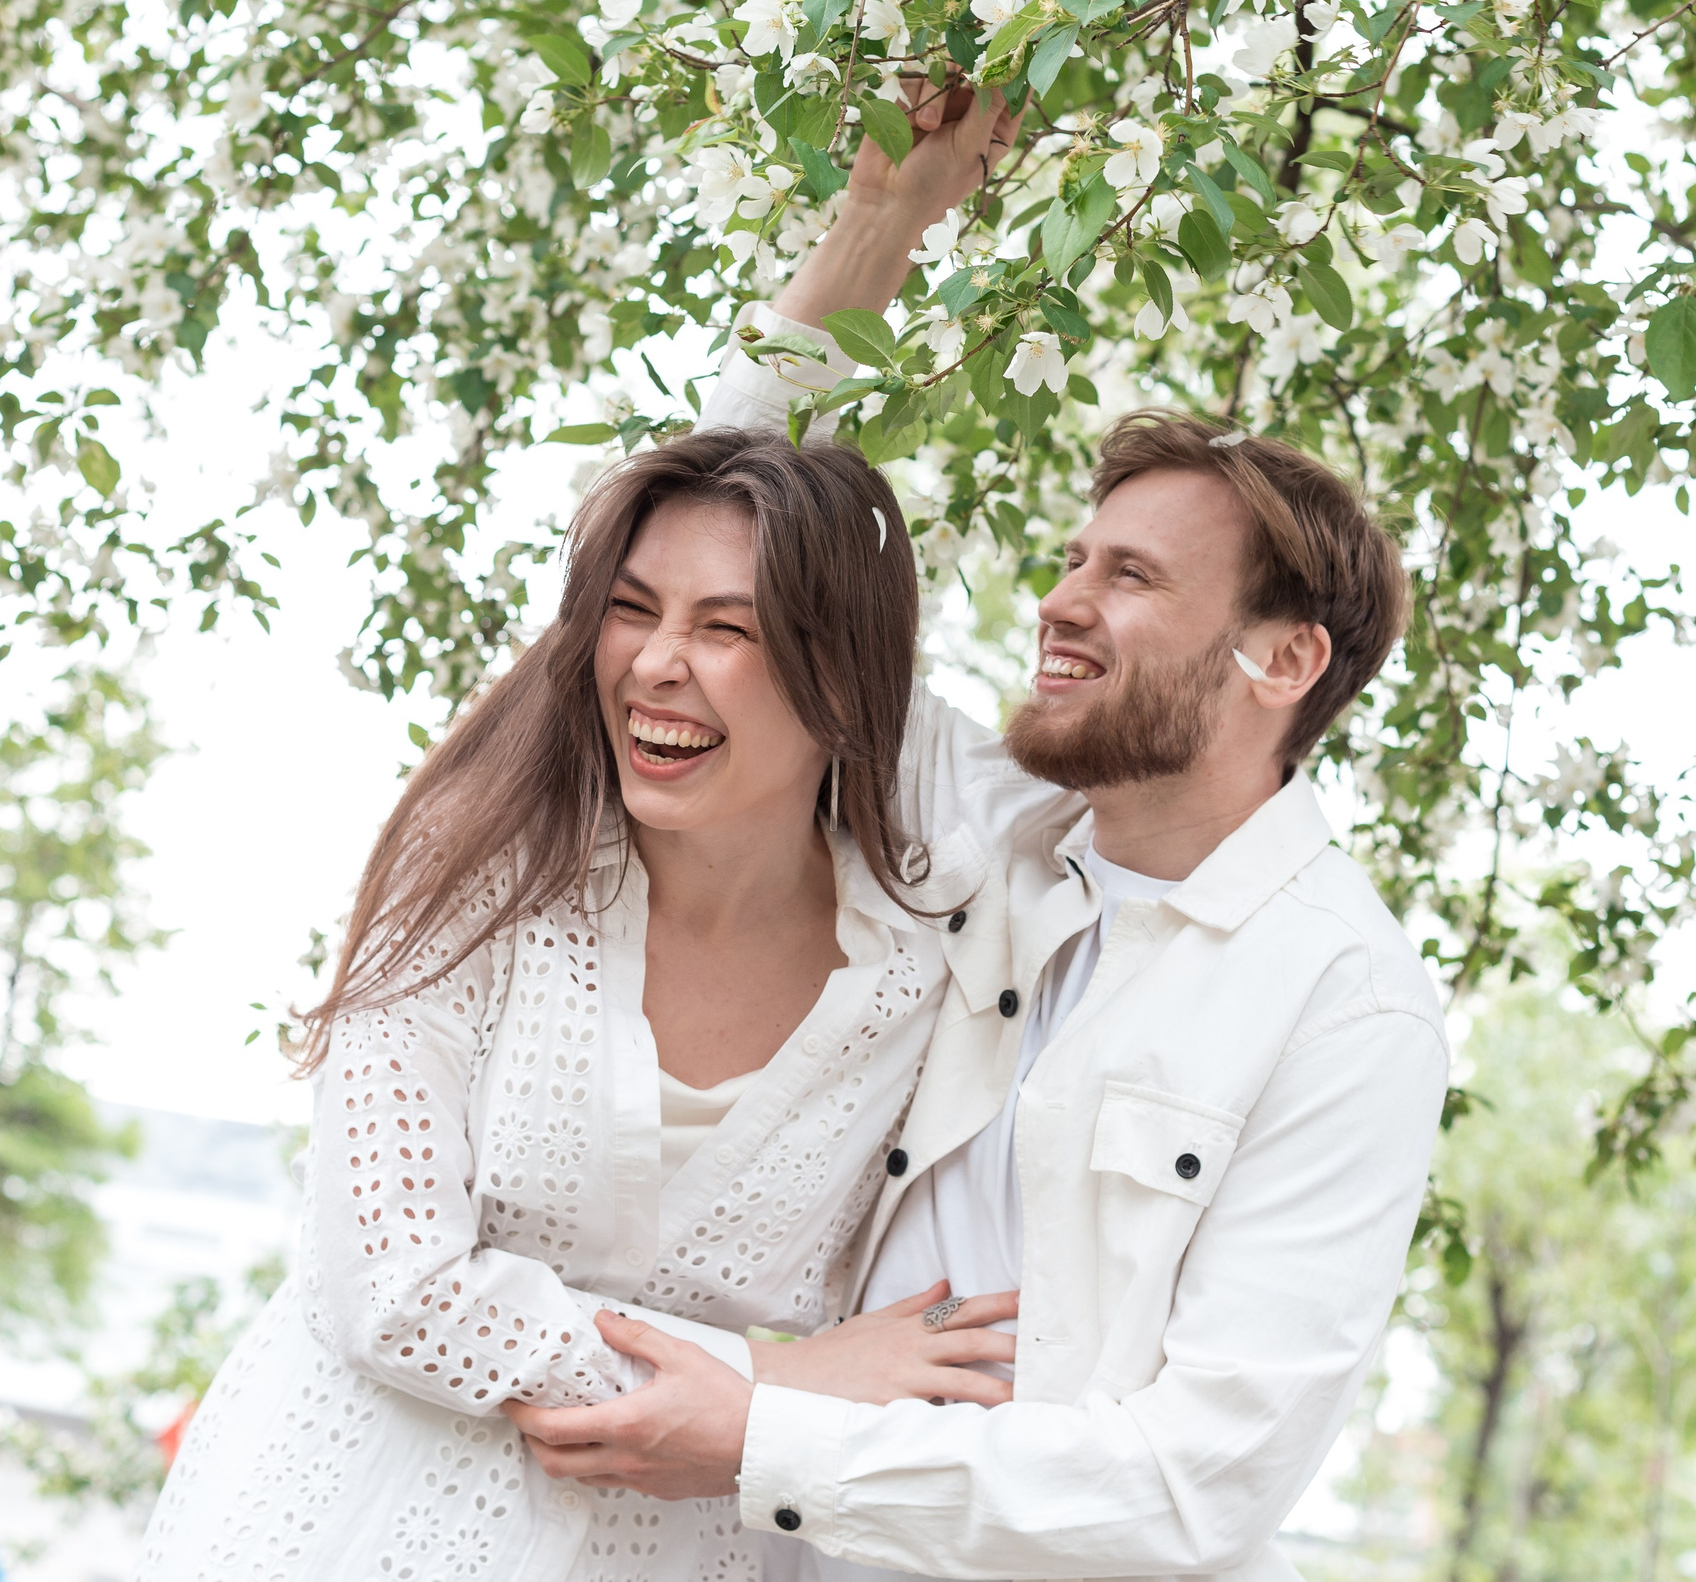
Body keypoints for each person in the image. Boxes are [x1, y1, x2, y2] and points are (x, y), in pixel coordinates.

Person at [505, 97, 1449, 1582]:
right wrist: (880, 225)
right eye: (1074, 560)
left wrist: (760, 1437)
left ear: (1283, 662)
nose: (1062, 603)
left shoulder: (1349, 1006)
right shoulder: (987, 830)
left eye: (1130, 578)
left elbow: (1197, 1489)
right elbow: (704, 532)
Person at [133, 86, 1067, 1579]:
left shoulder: (921, 961)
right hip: (327, 1532)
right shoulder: (491, 865)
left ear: (844, 684)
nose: (655, 663)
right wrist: (773, 1387)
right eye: (628, 615)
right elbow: (403, 1294)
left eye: (726, 631)